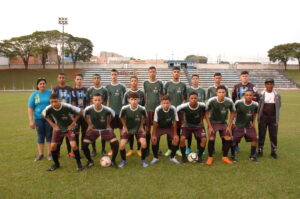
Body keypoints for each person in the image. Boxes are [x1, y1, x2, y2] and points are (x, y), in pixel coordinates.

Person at [42, 93, 84, 171]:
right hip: (58, 128)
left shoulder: (67, 106)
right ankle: (56, 164)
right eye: (52, 102)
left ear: (59, 100)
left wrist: (73, 123)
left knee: (73, 145)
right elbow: (43, 114)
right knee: (53, 146)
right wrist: (53, 125)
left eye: (55, 101)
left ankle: (79, 163)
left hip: (69, 128)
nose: (54, 104)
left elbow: (80, 111)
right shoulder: (49, 108)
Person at [82, 93, 119, 168]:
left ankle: (113, 161)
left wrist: (108, 123)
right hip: (93, 129)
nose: (97, 102)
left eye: (99, 100)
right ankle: (90, 161)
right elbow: (84, 115)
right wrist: (89, 124)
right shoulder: (88, 109)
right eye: (95, 100)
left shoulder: (107, 109)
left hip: (104, 129)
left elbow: (113, 115)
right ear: (92, 100)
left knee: (116, 143)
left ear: (102, 100)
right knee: (84, 145)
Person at [205, 85, 235, 165]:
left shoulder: (229, 101)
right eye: (219, 92)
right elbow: (206, 113)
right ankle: (210, 157)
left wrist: (229, 125)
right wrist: (209, 126)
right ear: (216, 93)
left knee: (228, 138)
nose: (221, 94)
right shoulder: (211, 100)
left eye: (223, 92)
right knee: (211, 138)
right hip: (213, 122)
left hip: (223, 123)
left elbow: (233, 112)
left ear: (225, 93)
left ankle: (225, 157)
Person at [118, 92, 149, 168]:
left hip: (138, 128)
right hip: (128, 128)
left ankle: (143, 160)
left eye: (135, 99)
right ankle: (123, 160)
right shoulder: (124, 108)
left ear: (139, 100)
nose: (134, 101)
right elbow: (121, 117)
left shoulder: (142, 108)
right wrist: (124, 127)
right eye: (132, 99)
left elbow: (144, 117)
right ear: (128, 100)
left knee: (144, 144)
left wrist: (141, 126)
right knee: (121, 145)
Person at [177, 92, 207, 163]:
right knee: (182, 139)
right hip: (187, 125)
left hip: (198, 125)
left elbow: (206, 111)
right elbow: (176, 111)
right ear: (189, 99)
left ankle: (199, 157)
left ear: (197, 99)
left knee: (204, 140)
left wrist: (202, 119)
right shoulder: (184, 106)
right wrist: (181, 120)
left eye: (195, 98)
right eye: (192, 98)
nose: (193, 99)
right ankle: (184, 157)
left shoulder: (202, 105)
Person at [150, 95, 181, 165]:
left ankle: (172, 157)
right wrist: (154, 135)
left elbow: (175, 122)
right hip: (159, 127)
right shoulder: (158, 109)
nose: (166, 105)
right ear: (161, 103)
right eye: (164, 103)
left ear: (170, 103)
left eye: (167, 103)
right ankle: (155, 157)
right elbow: (155, 122)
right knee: (153, 139)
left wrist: (175, 134)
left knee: (176, 139)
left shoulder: (173, 109)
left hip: (169, 127)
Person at [230, 90, 259, 162]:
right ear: (244, 96)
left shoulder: (255, 104)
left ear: (252, 96)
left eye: (250, 95)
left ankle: (252, 156)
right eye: (247, 95)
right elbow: (233, 112)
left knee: (255, 139)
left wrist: (253, 123)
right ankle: (233, 156)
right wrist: (233, 123)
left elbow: (254, 114)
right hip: (238, 125)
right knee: (233, 140)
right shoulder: (238, 103)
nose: (249, 96)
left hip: (248, 126)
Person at [28, 78, 52, 161]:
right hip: (38, 119)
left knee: (49, 135)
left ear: (46, 84)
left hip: (49, 118)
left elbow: (54, 104)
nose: (42, 85)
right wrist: (31, 121)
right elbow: (30, 108)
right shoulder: (34, 95)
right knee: (40, 136)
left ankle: (50, 154)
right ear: (37, 85)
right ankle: (41, 154)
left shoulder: (50, 93)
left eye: (44, 83)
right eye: (40, 84)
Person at [164, 67, 187, 156]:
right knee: (169, 129)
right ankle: (169, 149)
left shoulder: (182, 85)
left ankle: (176, 149)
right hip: (169, 111)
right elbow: (164, 97)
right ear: (172, 73)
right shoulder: (167, 84)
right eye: (174, 72)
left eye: (178, 72)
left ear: (180, 73)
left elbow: (184, 98)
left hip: (179, 112)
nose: (176, 73)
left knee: (177, 130)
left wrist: (181, 106)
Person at [258, 78, 281, 159]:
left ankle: (273, 152)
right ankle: (260, 150)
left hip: (273, 117)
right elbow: (259, 106)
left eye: (271, 83)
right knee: (261, 134)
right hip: (263, 117)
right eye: (268, 84)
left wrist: (276, 117)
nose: (269, 85)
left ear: (273, 85)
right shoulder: (261, 95)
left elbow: (279, 106)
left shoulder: (277, 95)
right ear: (265, 85)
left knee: (274, 135)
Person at [143, 66, 164, 156]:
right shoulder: (145, 83)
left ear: (156, 72)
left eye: (153, 72)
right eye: (150, 72)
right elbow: (145, 95)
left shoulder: (160, 83)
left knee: (156, 130)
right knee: (147, 130)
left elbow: (162, 96)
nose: (152, 73)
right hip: (148, 110)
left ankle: (156, 149)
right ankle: (147, 149)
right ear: (148, 73)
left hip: (157, 110)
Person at [52, 72, 75, 157]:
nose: (62, 79)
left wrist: (72, 113)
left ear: (65, 79)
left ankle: (70, 152)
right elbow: (52, 102)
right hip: (58, 116)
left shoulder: (70, 89)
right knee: (59, 135)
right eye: (60, 77)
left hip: (68, 115)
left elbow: (72, 101)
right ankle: (57, 152)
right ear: (58, 79)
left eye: (63, 77)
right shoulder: (55, 89)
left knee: (69, 134)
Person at [122, 76, 145, 157]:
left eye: (135, 81)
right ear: (130, 82)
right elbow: (124, 106)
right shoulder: (126, 93)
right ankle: (131, 149)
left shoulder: (141, 93)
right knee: (130, 134)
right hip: (129, 118)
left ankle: (139, 149)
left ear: (137, 82)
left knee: (139, 134)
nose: (134, 82)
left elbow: (144, 105)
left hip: (139, 118)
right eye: (132, 81)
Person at [86, 73, 108, 156]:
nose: (96, 80)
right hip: (93, 114)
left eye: (98, 78)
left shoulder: (104, 90)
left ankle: (103, 149)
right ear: (92, 79)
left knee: (103, 131)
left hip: (102, 114)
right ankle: (94, 150)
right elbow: (88, 102)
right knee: (93, 131)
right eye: (94, 78)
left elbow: (105, 102)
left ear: (100, 79)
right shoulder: (90, 90)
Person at [185, 74, 206, 155]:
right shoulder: (188, 90)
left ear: (199, 80)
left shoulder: (202, 91)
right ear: (191, 80)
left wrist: (202, 117)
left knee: (199, 133)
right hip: (189, 114)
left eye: (197, 78)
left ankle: (198, 147)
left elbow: (204, 104)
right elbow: (185, 102)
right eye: (193, 79)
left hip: (199, 116)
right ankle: (188, 147)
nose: (195, 80)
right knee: (189, 132)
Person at [106, 69, 126, 146]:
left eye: (115, 74)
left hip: (120, 112)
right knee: (111, 131)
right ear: (110, 76)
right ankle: (113, 148)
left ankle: (121, 147)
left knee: (122, 131)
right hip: (111, 113)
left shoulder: (122, 87)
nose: (114, 76)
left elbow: (125, 99)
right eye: (112, 74)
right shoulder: (107, 87)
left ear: (117, 75)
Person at [72, 74, 88, 152]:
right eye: (77, 79)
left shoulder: (86, 90)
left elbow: (88, 102)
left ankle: (83, 148)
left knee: (84, 133)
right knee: (76, 133)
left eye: (80, 79)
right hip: (76, 116)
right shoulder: (73, 91)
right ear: (75, 80)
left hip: (85, 115)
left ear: (82, 80)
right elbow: (73, 103)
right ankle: (76, 148)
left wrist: (85, 111)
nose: (79, 81)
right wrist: (78, 111)